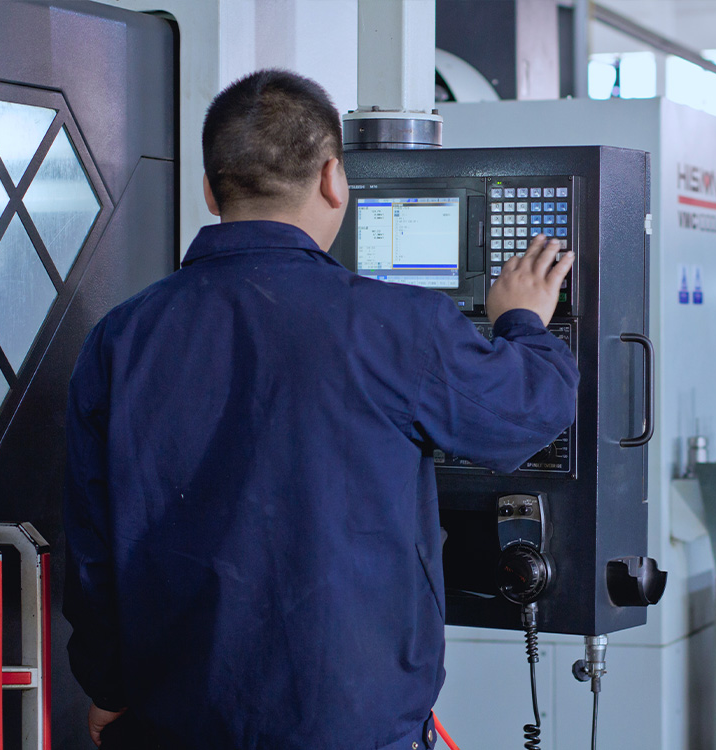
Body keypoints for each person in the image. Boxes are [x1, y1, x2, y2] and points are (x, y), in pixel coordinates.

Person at [62, 69, 578, 750]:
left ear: (210, 190)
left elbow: (92, 551)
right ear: (334, 178)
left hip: (175, 723)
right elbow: (526, 413)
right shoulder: (397, 325)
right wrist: (522, 321)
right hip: (350, 725)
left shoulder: (119, 339)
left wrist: (107, 686)